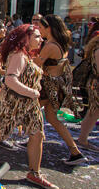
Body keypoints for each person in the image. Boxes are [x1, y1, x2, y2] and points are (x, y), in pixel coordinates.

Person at [0, 25, 60, 189]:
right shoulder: (18, 56)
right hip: (16, 102)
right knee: (0, 133)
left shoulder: (26, 55)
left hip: (29, 104)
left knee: (37, 134)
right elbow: (10, 80)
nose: (41, 39)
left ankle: (34, 173)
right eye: (37, 36)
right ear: (26, 39)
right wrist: (33, 92)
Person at [34, 15, 87, 165]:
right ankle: (75, 152)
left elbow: (37, 65)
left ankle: (35, 139)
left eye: (41, 27)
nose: (39, 30)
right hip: (57, 86)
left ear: (48, 28)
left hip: (48, 86)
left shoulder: (51, 45)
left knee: (32, 111)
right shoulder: (60, 43)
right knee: (52, 119)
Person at [76, 35, 99, 153]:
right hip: (97, 85)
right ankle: (82, 139)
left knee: (93, 112)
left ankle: (82, 139)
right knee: (93, 112)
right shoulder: (98, 50)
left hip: (95, 84)